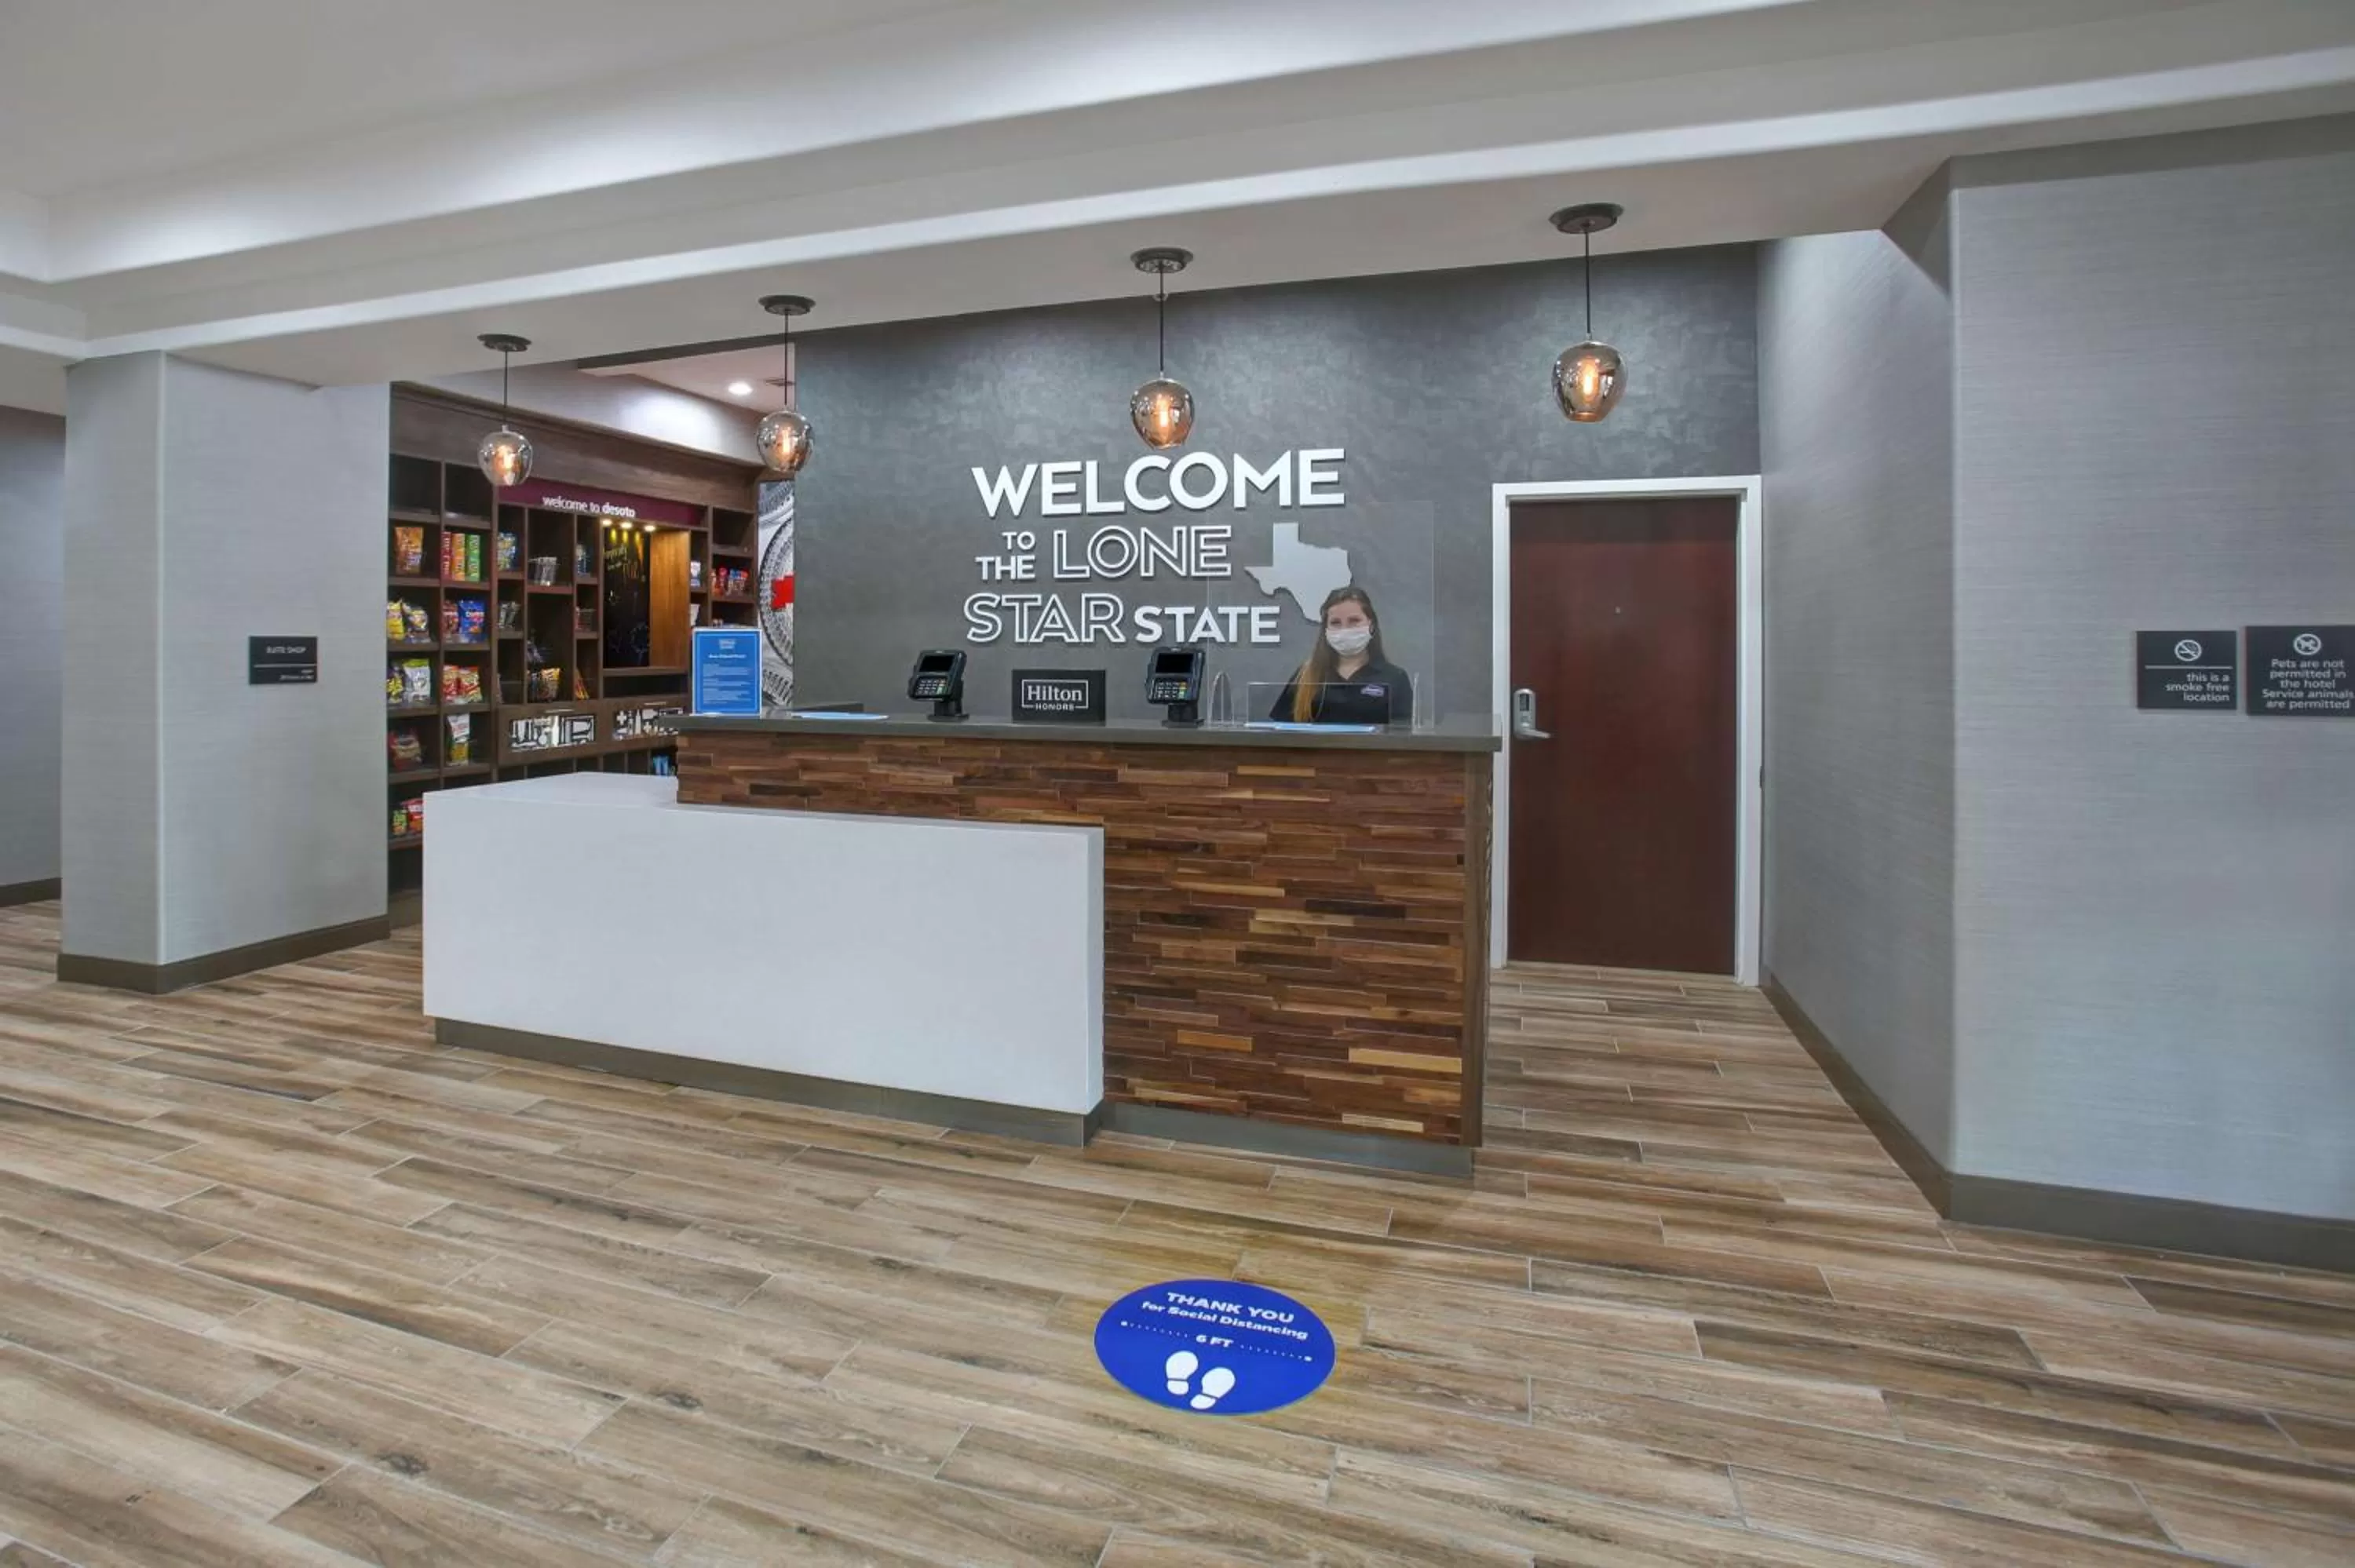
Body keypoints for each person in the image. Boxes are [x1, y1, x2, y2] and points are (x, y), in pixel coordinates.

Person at [1268, 585, 1413, 724]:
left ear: (1372, 625)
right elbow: (1281, 732)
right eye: (1336, 623)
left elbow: (1402, 736)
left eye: (1354, 621)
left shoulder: (1394, 678)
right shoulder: (1306, 675)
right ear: (1326, 629)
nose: (1345, 629)